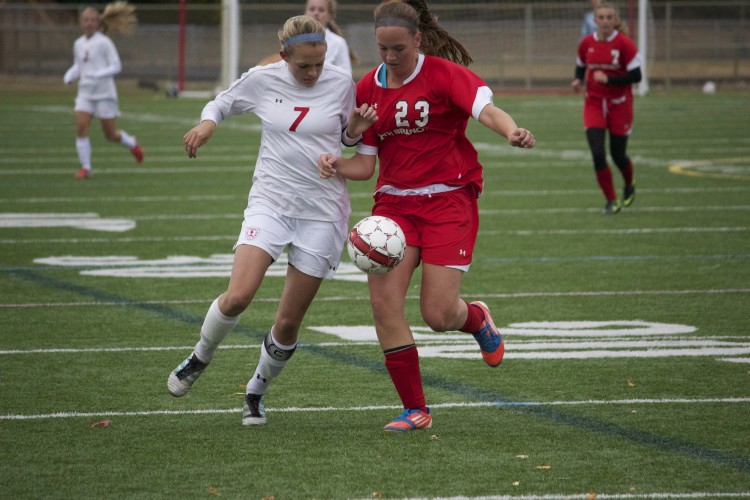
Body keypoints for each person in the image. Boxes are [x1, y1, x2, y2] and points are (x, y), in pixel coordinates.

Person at [317, 0, 535, 432]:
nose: (390, 57)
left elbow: (487, 110)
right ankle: (416, 409)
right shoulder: (367, 89)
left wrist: (511, 130)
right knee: (384, 307)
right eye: (382, 48)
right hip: (394, 208)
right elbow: (365, 167)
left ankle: (475, 318)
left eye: (398, 48)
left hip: (447, 200)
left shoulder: (443, 75)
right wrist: (336, 162)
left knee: (438, 315)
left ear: (417, 40)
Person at [166, 15, 377, 427]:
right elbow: (223, 101)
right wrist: (208, 124)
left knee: (288, 321)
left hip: (322, 212)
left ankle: (256, 392)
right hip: (271, 202)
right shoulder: (263, 79)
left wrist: (352, 131)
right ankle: (200, 356)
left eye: (319, 63)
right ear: (284, 57)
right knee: (239, 295)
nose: (314, 72)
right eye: (304, 66)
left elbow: (349, 140)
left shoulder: (340, 83)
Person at [571, 1, 642, 214]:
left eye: (609, 17)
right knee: (598, 153)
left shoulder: (624, 44)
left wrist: (609, 80)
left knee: (618, 155)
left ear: (615, 20)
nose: (605, 21)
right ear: (595, 20)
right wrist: (577, 81)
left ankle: (629, 184)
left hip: (619, 105)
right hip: (593, 103)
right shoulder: (586, 43)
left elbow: (637, 75)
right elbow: (581, 66)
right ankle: (611, 200)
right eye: (601, 17)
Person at [63, 2, 144, 179]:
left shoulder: (104, 42)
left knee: (110, 134)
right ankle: (86, 167)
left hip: (104, 94)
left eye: (92, 20)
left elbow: (116, 66)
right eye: (86, 20)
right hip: (85, 93)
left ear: (98, 22)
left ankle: (132, 143)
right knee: (81, 127)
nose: (89, 23)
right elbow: (79, 65)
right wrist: (69, 75)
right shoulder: (78, 44)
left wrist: (98, 74)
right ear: (81, 22)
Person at [258, 0, 358, 75]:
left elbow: (346, 76)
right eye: (312, 9)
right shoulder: (294, 38)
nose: (316, 13)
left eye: (321, 10)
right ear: (305, 12)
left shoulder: (338, 43)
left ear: (329, 16)